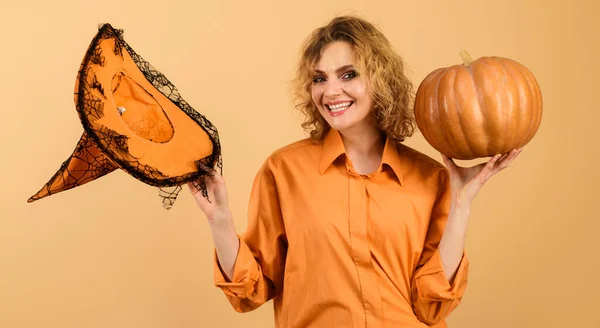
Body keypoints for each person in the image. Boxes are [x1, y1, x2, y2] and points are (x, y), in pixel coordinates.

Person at [188, 14, 521, 328]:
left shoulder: (431, 177)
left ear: (380, 80)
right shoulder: (284, 170)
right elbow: (252, 291)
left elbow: (430, 305)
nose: (331, 91)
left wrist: (461, 205)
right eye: (320, 78)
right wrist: (220, 223)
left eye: (348, 74)